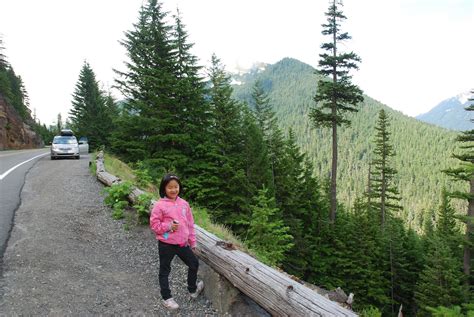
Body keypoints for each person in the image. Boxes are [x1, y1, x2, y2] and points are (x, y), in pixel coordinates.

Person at [150, 173, 204, 311]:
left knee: (194, 263)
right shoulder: (159, 205)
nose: (173, 190)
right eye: (170, 187)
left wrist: (193, 243)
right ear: (164, 189)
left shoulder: (184, 204)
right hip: (166, 243)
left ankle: (192, 290)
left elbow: (190, 224)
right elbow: (154, 226)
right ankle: (167, 298)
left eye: (176, 186)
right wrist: (168, 227)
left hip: (182, 244)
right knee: (165, 270)